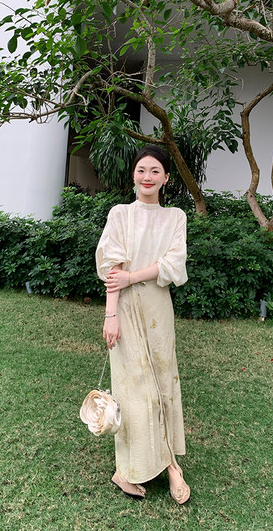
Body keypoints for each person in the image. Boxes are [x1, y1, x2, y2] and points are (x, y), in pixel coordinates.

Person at [95, 145, 190, 504]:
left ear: (166, 178)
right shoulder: (120, 214)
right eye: (141, 170)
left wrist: (132, 276)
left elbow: (173, 264)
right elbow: (113, 269)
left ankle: (170, 465)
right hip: (124, 309)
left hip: (157, 308)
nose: (147, 177)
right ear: (133, 176)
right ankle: (128, 471)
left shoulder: (176, 217)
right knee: (134, 390)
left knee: (163, 383)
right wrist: (111, 315)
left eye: (155, 171)